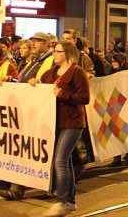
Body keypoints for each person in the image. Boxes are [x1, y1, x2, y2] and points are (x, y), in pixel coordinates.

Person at [39, 41, 90, 217]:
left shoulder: (77, 72)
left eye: (58, 52)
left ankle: (62, 200)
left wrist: (64, 94)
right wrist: (32, 83)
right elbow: (40, 84)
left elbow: (84, 97)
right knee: (65, 161)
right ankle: (69, 201)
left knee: (60, 161)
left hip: (73, 122)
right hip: (57, 121)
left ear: (67, 54)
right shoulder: (51, 73)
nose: (54, 54)